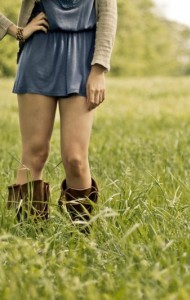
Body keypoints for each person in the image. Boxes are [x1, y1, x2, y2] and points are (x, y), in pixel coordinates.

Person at [0, 0, 117, 228]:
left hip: (83, 59)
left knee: (75, 158)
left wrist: (99, 69)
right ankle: (28, 239)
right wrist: (16, 30)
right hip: (38, 54)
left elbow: (108, 15)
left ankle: (81, 239)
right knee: (34, 153)